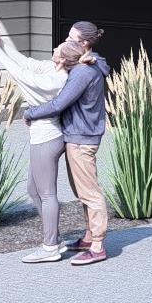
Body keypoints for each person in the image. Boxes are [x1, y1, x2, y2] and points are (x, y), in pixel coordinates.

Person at [0, 22, 97, 264]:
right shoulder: (54, 68)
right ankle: (54, 238)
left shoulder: (55, 81)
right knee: (32, 189)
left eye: (58, 49)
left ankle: (50, 246)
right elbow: (26, 63)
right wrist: (2, 42)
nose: (55, 48)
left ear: (62, 59)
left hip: (47, 139)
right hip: (42, 137)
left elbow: (20, 74)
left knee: (47, 194)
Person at [25, 21, 111, 266]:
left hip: (82, 139)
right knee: (81, 191)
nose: (67, 40)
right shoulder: (88, 63)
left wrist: (30, 113)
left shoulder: (83, 72)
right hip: (79, 137)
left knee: (90, 193)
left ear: (83, 43)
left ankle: (97, 246)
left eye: (72, 38)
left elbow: (58, 104)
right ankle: (88, 236)